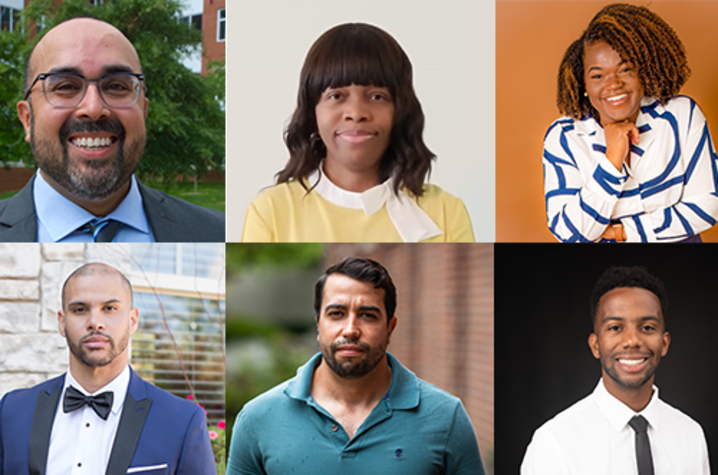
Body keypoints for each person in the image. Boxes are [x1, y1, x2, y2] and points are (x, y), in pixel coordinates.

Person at [227, 257, 484, 474]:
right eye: (336, 314)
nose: (350, 330)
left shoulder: (446, 417)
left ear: (389, 328)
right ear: (319, 324)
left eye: (367, 315)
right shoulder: (257, 419)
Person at [241, 23, 474, 243]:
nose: (356, 113)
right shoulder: (271, 212)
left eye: (377, 96)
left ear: (400, 110)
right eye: (336, 96)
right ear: (313, 112)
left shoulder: (445, 212)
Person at [0, 17, 224, 243]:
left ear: (143, 112)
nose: (94, 108)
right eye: (66, 87)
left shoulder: (219, 232)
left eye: (117, 86)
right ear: (28, 119)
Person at [0, 262, 216, 474]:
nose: (95, 322)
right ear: (61, 322)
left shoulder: (182, 421)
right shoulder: (11, 410)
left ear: (132, 320)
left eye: (110, 308)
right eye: (80, 309)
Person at [543, 4, 718, 242]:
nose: (613, 84)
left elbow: (708, 205)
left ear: (643, 72)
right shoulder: (564, 136)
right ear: (584, 84)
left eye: (625, 70)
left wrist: (621, 232)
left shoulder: (681, 115)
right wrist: (611, 161)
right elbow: (569, 233)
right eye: (597, 76)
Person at [521, 266, 709, 474]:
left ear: (664, 344)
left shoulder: (691, 435)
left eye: (647, 327)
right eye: (615, 328)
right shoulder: (554, 443)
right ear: (595, 345)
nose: (632, 341)